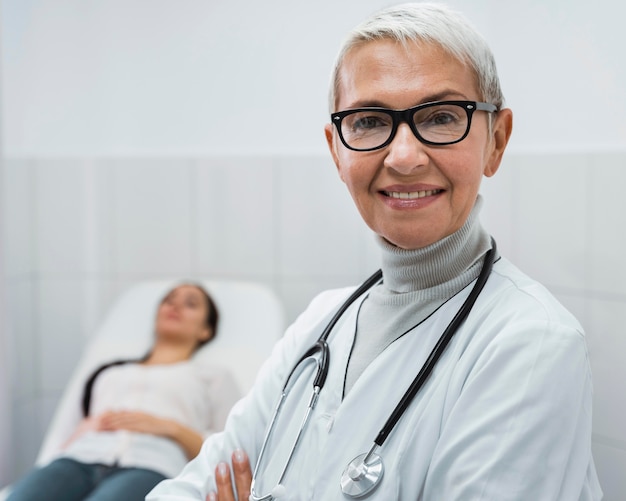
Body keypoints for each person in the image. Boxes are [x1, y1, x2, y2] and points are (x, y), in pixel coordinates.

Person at [147, 3, 603, 500]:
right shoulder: (320, 324)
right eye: (368, 121)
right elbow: (188, 487)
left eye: (442, 117)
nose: (404, 156)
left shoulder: (531, 343)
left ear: (496, 140)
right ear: (336, 151)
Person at [7, 283, 241, 501]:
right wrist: (85, 430)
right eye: (169, 300)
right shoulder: (107, 371)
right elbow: (60, 437)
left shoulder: (212, 376)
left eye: (190, 304)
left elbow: (226, 450)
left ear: (206, 331)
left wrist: (171, 428)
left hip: (151, 465)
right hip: (77, 460)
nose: (175, 306)